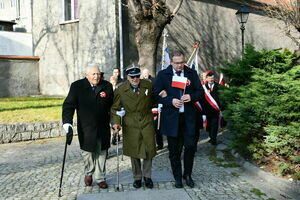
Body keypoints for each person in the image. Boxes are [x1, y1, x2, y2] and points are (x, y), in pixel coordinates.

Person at [154, 51, 202, 188]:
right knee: (174, 151)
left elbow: (200, 92)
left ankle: (187, 174)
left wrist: (191, 97)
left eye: (182, 62)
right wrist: (170, 100)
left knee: (190, 147)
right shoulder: (163, 75)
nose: (180, 65)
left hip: (189, 118)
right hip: (172, 119)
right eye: (177, 63)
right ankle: (177, 177)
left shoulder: (191, 73)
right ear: (171, 62)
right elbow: (156, 94)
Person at [62, 64, 113, 189]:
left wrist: (116, 120)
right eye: (93, 74)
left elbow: (113, 105)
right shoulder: (77, 86)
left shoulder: (107, 86)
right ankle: (89, 173)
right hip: (86, 127)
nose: (96, 77)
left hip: (103, 126)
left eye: (98, 74)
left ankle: (100, 178)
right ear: (87, 75)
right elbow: (68, 105)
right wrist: (67, 122)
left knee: (102, 152)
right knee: (87, 152)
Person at [111, 65, 156, 189]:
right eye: (132, 77)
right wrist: (116, 122)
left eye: (137, 76)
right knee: (134, 151)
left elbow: (154, 100)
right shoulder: (120, 90)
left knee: (148, 150)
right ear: (127, 77)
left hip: (146, 121)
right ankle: (137, 177)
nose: (135, 79)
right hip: (130, 123)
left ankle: (147, 176)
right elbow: (114, 109)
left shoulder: (148, 85)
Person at [141, 68, 164, 150]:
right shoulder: (140, 82)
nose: (145, 75)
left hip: (154, 107)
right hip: (145, 108)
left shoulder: (154, 81)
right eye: (144, 74)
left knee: (157, 128)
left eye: (146, 73)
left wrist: (159, 105)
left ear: (148, 73)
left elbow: (157, 93)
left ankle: (160, 144)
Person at [202, 70, 222, 145]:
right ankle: (211, 137)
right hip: (206, 110)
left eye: (212, 78)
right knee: (209, 125)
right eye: (210, 78)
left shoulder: (218, 86)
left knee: (215, 125)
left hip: (215, 110)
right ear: (207, 79)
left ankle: (213, 139)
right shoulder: (203, 87)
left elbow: (221, 97)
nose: (211, 80)